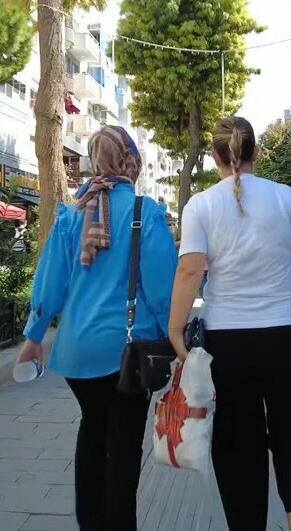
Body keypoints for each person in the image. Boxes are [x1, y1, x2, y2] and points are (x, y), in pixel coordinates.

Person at [168, 116, 291, 531]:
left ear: (214, 156)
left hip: (228, 340)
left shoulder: (200, 206)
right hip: (290, 333)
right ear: (257, 152)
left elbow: (190, 271)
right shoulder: (287, 197)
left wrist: (175, 329)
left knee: (237, 440)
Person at [15, 126, 178, 531]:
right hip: (127, 351)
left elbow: (50, 281)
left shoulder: (72, 215)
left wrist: (34, 337)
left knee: (92, 432)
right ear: (130, 161)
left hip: (77, 350)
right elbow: (162, 288)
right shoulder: (144, 212)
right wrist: (175, 338)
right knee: (123, 445)